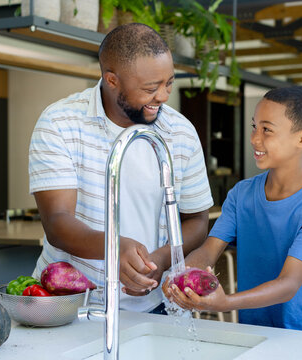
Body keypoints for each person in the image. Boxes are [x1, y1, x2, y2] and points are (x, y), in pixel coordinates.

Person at [28, 23, 213, 313]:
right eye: (150, 88)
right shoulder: (59, 123)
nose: (163, 96)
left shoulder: (180, 132)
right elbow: (57, 222)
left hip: (156, 305)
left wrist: (162, 259)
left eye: (169, 84)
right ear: (111, 80)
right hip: (71, 304)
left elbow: (197, 220)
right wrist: (115, 247)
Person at [164, 86, 302, 333]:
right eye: (254, 126)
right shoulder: (242, 194)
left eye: (267, 129)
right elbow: (209, 250)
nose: (254, 138)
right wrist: (179, 276)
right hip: (255, 330)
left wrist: (226, 303)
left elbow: (288, 284)